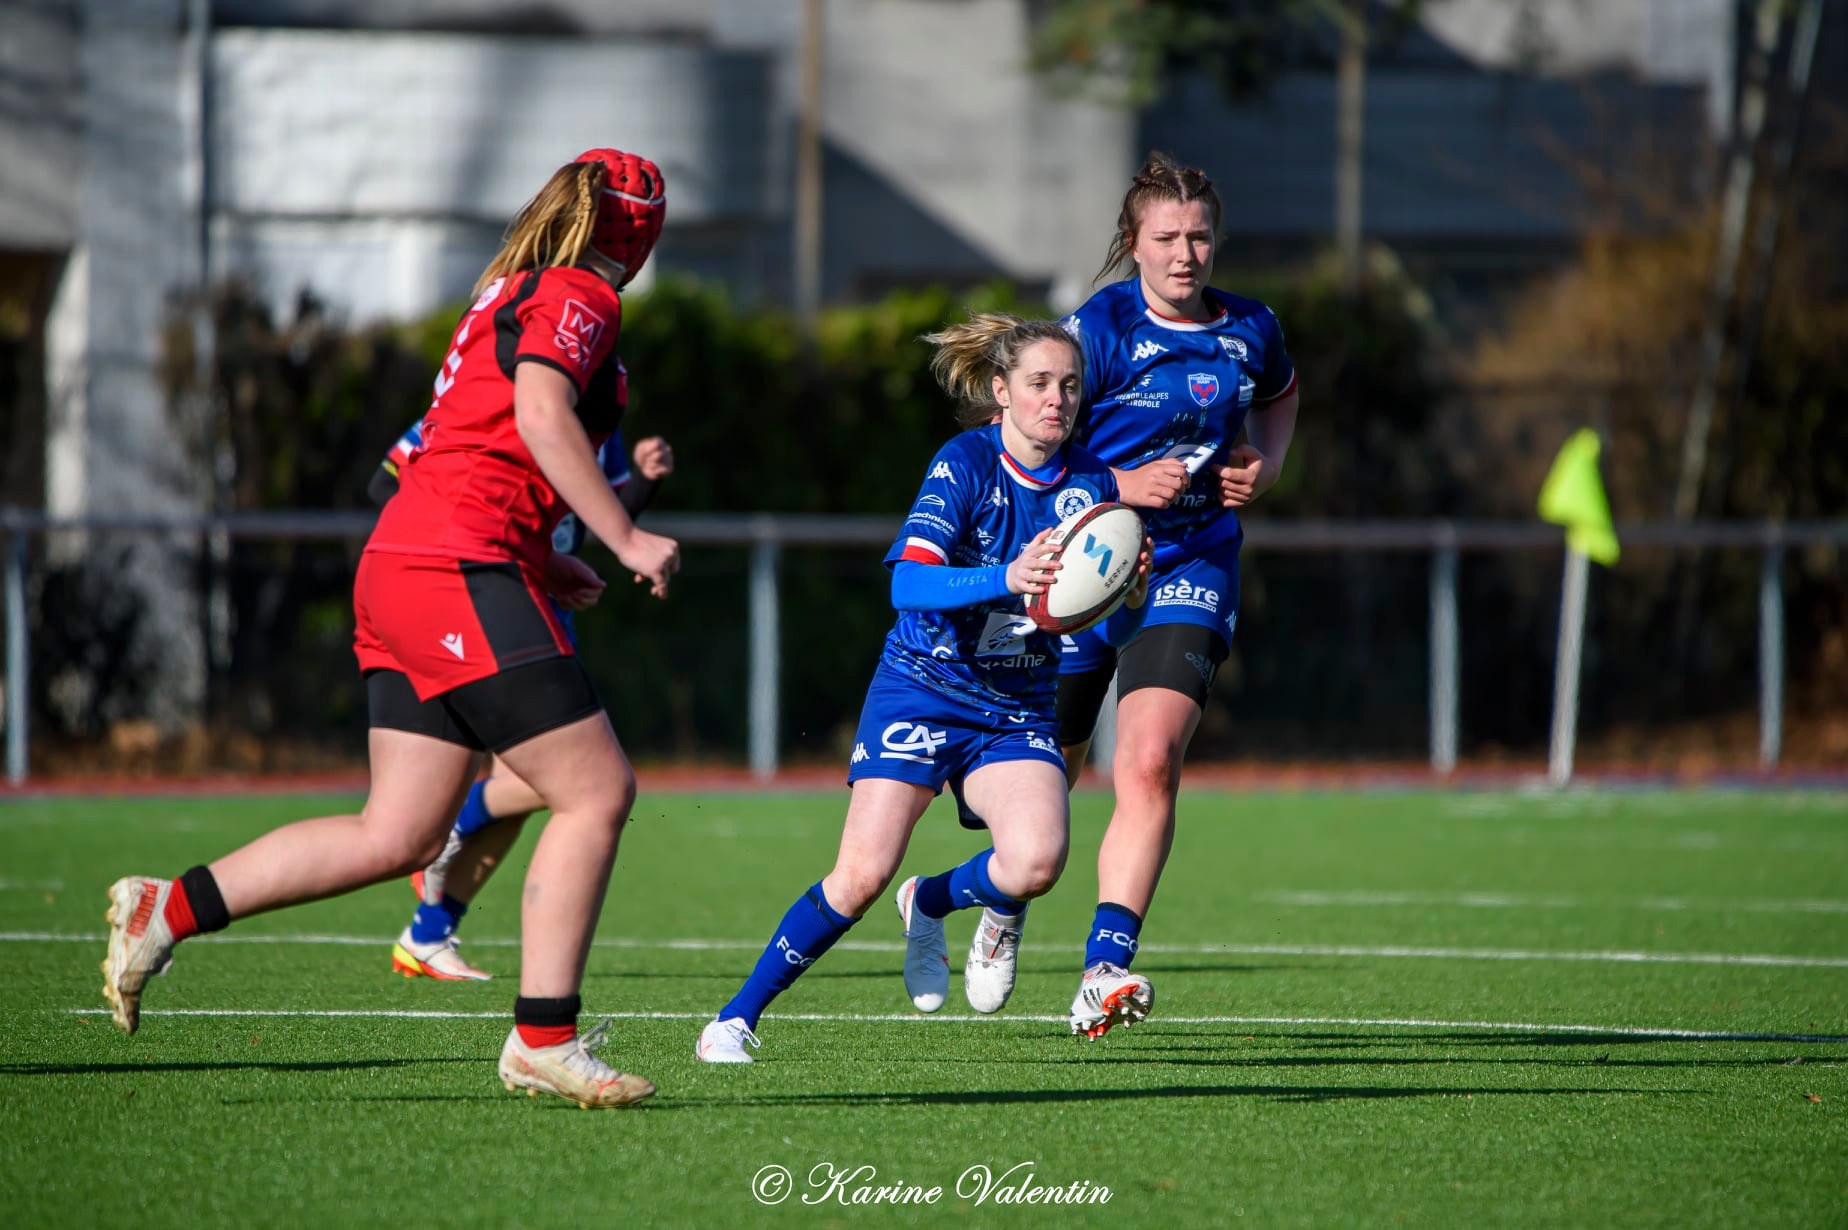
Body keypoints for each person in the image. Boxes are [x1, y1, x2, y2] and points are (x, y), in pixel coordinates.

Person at [99, 148, 681, 1109]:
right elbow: (540, 415)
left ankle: (170, 907)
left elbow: (471, 448)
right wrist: (623, 535)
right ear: (638, 233)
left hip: (407, 562)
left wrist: (545, 559)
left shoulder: (507, 291)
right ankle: (544, 1037)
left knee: (399, 833)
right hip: (455, 567)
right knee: (596, 790)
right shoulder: (580, 292)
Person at [694, 313, 1151, 1064]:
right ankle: (734, 1019)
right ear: (1001, 390)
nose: (1056, 399)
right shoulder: (964, 463)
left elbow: (1110, 630)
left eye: (1070, 385)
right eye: (1039, 383)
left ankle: (931, 898)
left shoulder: (1096, 484)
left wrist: (1129, 598)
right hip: (924, 688)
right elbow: (907, 585)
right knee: (860, 877)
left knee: (1036, 862)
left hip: (1016, 707)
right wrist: (1006, 576)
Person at [1050, 151, 1299, 1040]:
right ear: (1134, 242)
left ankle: (1104, 968)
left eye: (1199, 237)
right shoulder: (1097, 331)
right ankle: (983, 899)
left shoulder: (1252, 327)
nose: (1185, 254)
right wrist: (1119, 486)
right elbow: (1035, 451)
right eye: (1166, 238)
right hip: (1088, 571)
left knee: (1149, 760)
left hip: (1194, 561)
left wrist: (1267, 464)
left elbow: (1280, 395)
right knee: (1045, 787)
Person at [373, 413, 676, 983]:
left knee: (533, 783)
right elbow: (386, 483)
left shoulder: (595, 412)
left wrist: (644, 478)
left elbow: (601, 518)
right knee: (565, 781)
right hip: (478, 594)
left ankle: (429, 932)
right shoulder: (487, 400)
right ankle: (449, 829)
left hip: (543, 604)